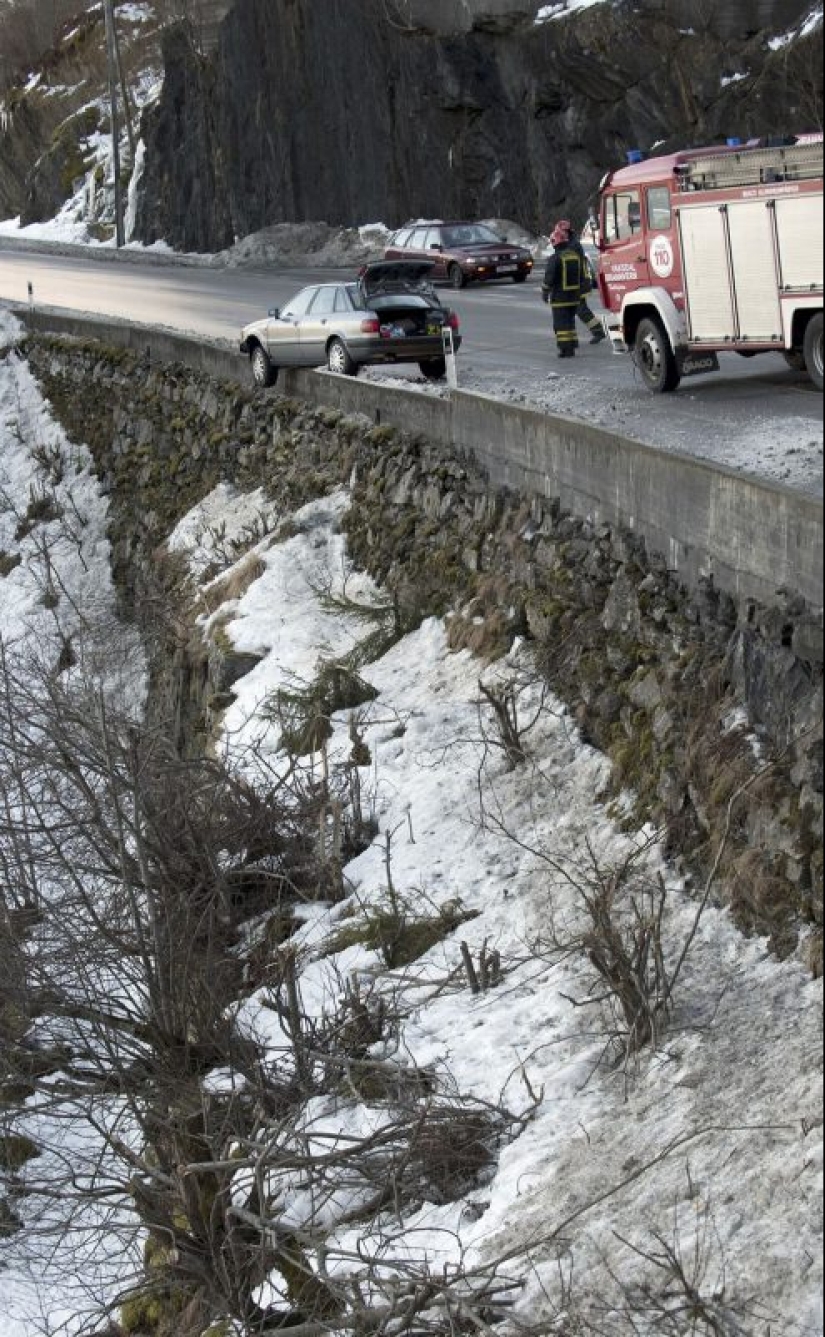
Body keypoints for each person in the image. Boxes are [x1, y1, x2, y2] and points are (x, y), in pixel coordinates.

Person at [541, 220, 605, 358]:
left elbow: (562, 270)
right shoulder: (572, 243)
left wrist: (546, 290)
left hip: (575, 284)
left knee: (578, 311)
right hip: (576, 283)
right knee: (575, 311)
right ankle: (582, 337)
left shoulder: (572, 245)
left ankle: (596, 332)